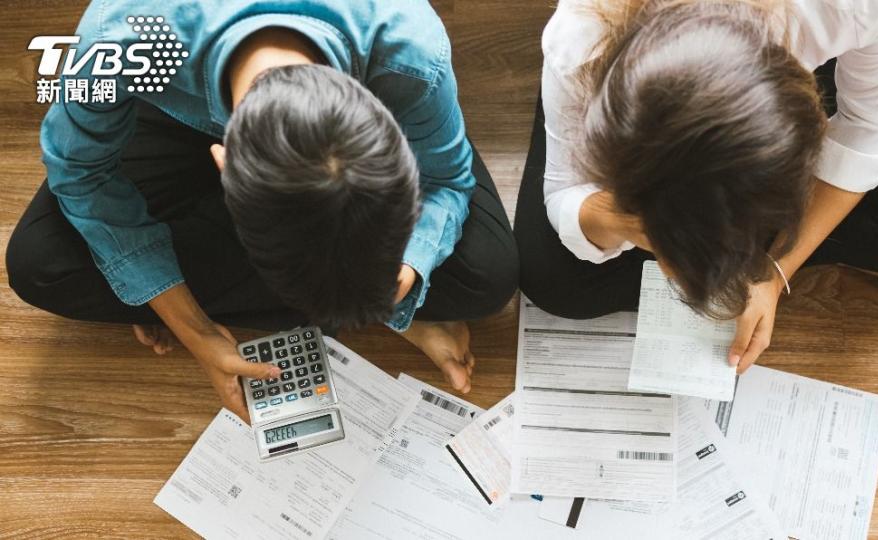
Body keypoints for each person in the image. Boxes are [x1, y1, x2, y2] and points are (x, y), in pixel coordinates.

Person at [7, 0, 518, 420]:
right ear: (223, 168)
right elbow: (80, 172)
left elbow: (447, 178)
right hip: (165, 97)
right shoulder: (122, 37)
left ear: (388, 138)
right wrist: (194, 328)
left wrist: (400, 279)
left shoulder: (409, 52)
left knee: (491, 274)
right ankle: (342, 294)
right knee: (39, 264)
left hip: (307, 98)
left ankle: (343, 293)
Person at [515, 0, 878, 373]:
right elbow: (564, 190)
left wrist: (774, 273)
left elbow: (873, 127)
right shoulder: (583, 38)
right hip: (618, 71)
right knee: (551, 277)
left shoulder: (861, 6)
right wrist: (632, 224)